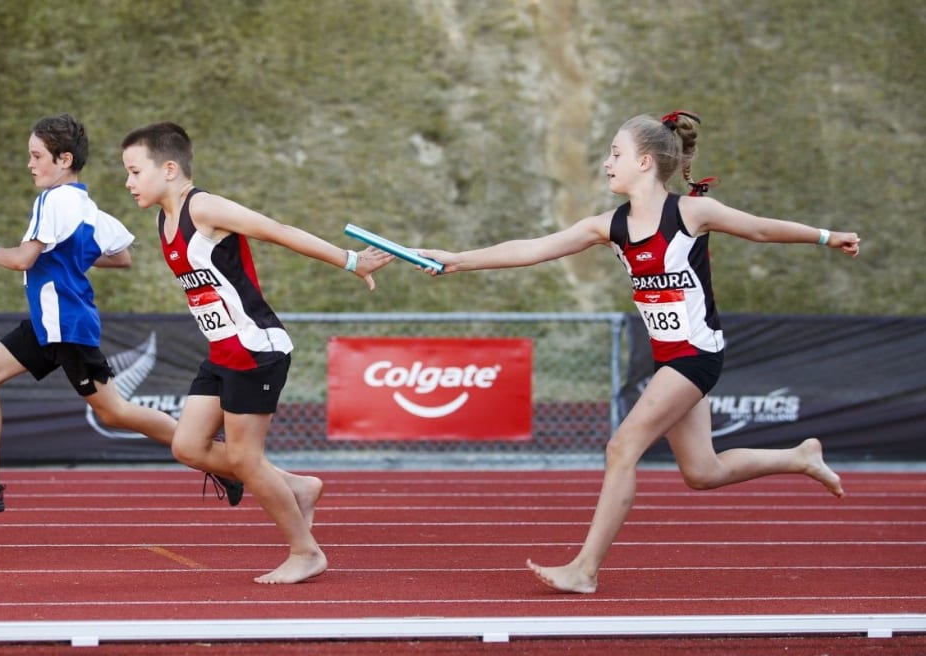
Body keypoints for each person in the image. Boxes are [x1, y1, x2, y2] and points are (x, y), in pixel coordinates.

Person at [416, 110, 860, 593]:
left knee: (621, 448)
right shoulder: (610, 226)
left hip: (696, 358)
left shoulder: (690, 213)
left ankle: (584, 569)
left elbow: (758, 229)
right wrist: (459, 260)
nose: (607, 163)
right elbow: (531, 249)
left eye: (615, 153)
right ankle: (799, 457)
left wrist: (826, 236)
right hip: (669, 359)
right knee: (702, 472)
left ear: (645, 162)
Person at [120, 122, 394, 584]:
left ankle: (305, 552)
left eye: (133, 172)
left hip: (255, 348)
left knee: (246, 459)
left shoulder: (203, 207)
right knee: (187, 446)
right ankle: (296, 485)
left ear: (169, 169)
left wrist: (349, 260)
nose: (127, 183)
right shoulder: (162, 219)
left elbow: (277, 230)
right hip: (222, 351)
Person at [0, 114, 244, 513]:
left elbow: (24, 259)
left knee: (116, 413)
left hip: (65, 324)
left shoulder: (53, 200)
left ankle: (218, 460)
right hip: (49, 321)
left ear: (63, 160)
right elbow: (121, 256)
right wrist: (69, 258)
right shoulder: (84, 205)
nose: (30, 165)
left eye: (36, 155)